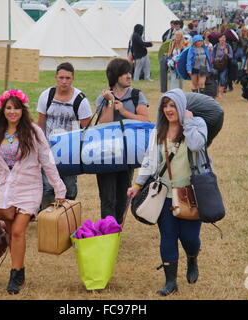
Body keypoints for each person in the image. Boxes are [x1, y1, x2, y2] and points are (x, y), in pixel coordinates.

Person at [126, 88, 208, 296]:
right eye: (165, 105)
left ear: (181, 106)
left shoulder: (197, 125)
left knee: (190, 238)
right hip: (163, 194)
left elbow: (197, 145)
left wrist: (187, 121)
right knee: (168, 237)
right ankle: (170, 281)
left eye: (173, 105)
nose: (168, 110)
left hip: (191, 193)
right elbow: (149, 160)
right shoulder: (158, 131)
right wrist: (137, 185)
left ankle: (192, 259)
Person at [0, 89, 66, 294]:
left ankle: (14, 276)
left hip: (29, 189)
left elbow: (47, 161)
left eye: (16, 108)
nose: (12, 112)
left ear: (23, 110)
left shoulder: (34, 131)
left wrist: (59, 188)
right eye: (9, 108)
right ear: (3, 110)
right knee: (11, 233)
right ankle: (20, 270)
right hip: (6, 191)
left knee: (19, 230)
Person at [96, 58, 149, 224]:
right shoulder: (103, 98)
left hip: (127, 154)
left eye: (129, 71)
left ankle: (116, 228)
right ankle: (108, 233)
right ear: (115, 76)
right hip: (105, 154)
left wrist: (124, 112)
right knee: (107, 197)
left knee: (122, 195)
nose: (129, 75)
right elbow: (103, 126)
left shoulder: (136, 95)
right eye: (125, 72)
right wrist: (110, 102)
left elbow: (145, 121)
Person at [37, 62, 92, 209]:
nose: (64, 81)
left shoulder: (80, 100)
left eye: (68, 78)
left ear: (73, 79)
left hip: (70, 153)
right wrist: (41, 146)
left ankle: (66, 218)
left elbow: (87, 129)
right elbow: (40, 124)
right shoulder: (46, 95)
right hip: (48, 150)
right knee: (48, 187)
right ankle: (48, 219)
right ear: (56, 78)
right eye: (61, 77)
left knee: (69, 188)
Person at [212, 34, 233, 99]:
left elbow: (231, 56)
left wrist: (227, 54)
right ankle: (217, 93)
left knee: (222, 79)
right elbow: (212, 56)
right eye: (221, 38)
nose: (223, 39)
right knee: (216, 79)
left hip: (224, 65)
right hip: (216, 65)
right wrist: (215, 61)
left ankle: (220, 93)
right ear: (219, 39)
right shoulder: (216, 46)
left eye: (224, 38)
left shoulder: (228, 46)